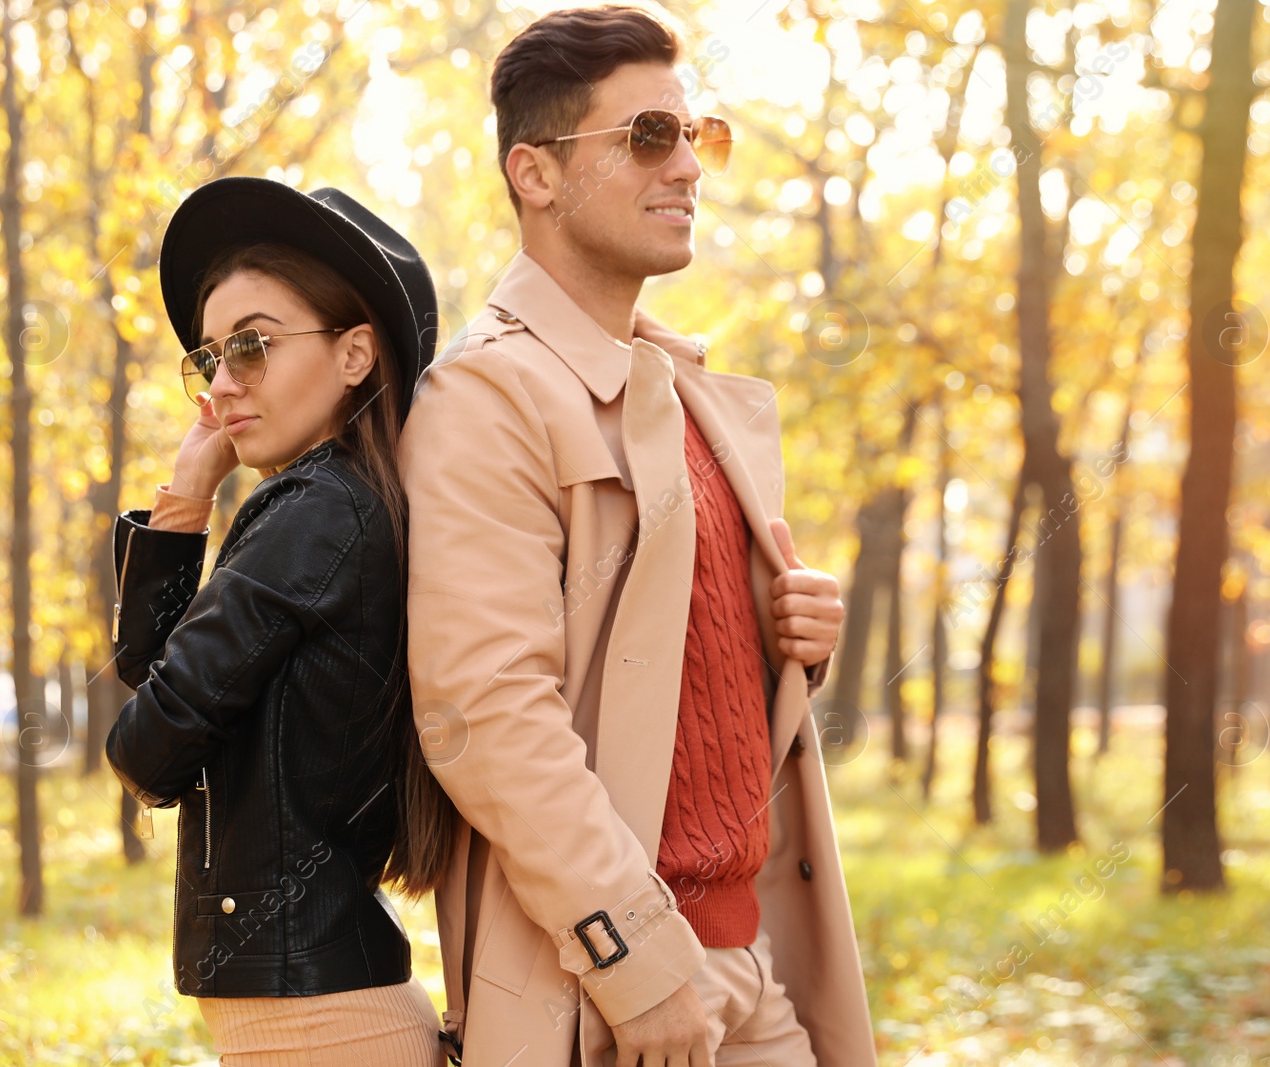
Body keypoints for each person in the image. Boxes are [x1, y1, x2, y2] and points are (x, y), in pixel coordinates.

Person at [399, 6, 877, 1066]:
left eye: (696, 134)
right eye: (648, 137)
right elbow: (485, 710)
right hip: (612, 988)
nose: (689, 167)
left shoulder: (684, 391)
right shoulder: (489, 395)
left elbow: (669, 675)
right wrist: (640, 959)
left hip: (753, 963)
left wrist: (785, 630)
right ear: (535, 174)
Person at [105, 175, 455, 1067]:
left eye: (254, 346)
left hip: (320, 1027)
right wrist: (185, 501)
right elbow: (160, 681)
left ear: (354, 355)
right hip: (317, 1014)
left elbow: (146, 747)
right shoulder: (344, 505)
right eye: (212, 355)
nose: (223, 384)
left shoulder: (315, 512)